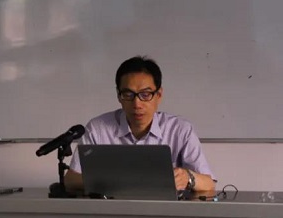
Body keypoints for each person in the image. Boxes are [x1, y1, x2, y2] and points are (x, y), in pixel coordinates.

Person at [64, 56, 215, 193]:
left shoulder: (180, 130)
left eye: (145, 94)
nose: (137, 104)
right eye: (128, 95)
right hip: (113, 209)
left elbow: (209, 184)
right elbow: (70, 180)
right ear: (119, 96)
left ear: (159, 95)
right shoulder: (98, 129)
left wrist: (188, 177)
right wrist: (119, 181)